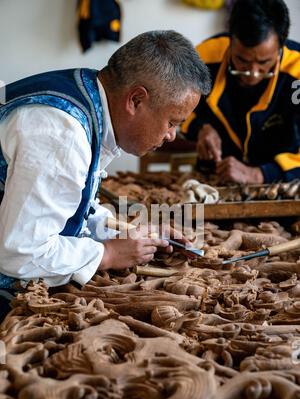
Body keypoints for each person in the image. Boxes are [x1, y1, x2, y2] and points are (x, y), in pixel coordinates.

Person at [0, 30, 211, 315]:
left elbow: (70, 204)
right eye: (172, 121)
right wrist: (109, 253)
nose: (173, 135)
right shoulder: (62, 133)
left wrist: (128, 233)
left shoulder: (89, 92)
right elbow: (20, 254)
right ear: (136, 99)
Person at [180, 0, 300, 184]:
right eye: (241, 60)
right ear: (231, 39)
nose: (252, 74)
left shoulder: (297, 70)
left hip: (285, 185)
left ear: (280, 47)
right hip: (217, 180)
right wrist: (200, 128)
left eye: (264, 62)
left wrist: (260, 174)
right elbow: (178, 109)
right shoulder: (205, 56)